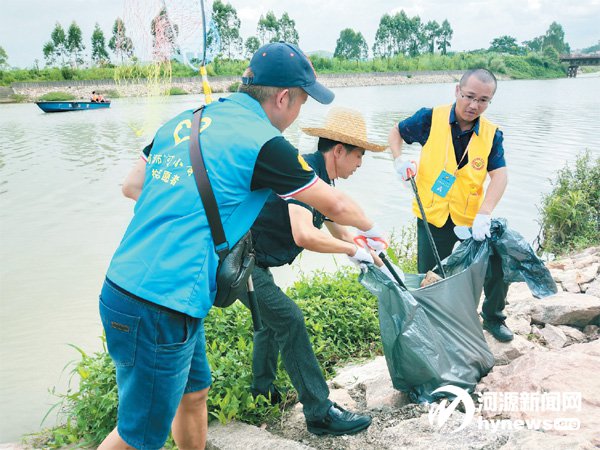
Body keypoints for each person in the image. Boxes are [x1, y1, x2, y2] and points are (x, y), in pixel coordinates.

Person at [99, 42, 386, 450]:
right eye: (302, 102)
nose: (299, 112)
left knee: (194, 394)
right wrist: (373, 231)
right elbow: (335, 205)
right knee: (138, 436)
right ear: (284, 98)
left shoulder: (184, 122)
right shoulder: (265, 144)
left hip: (136, 284)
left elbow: (132, 186)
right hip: (160, 300)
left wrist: (193, 212)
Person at [244, 107, 398, 436]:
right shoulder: (302, 175)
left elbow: (339, 229)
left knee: (271, 322)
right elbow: (304, 235)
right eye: (359, 155)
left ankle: (262, 392)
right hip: (238, 261)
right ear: (339, 151)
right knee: (289, 319)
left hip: (252, 259)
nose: (360, 164)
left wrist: (378, 259)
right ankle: (319, 413)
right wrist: (351, 250)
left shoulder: (319, 179)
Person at [389, 68, 512, 342]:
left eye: (483, 100)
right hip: (432, 216)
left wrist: (485, 212)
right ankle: (432, 328)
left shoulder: (492, 134)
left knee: (497, 265)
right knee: (430, 278)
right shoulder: (429, 118)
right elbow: (395, 132)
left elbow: (500, 176)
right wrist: (398, 160)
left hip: (471, 220)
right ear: (457, 90)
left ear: (490, 100)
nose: (473, 105)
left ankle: (493, 318)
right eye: (469, 96)